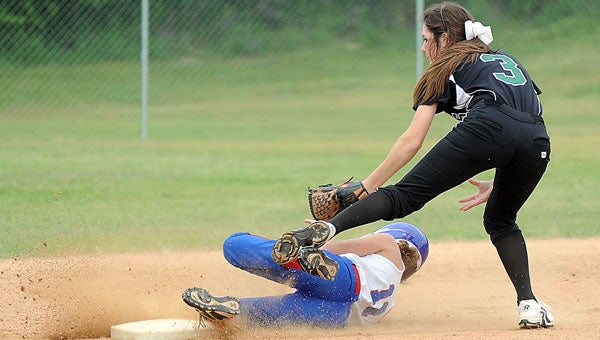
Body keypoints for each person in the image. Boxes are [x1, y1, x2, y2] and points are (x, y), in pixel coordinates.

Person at [271, 1, 554, 329]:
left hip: (487, 127)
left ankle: (319, 233)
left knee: (402, 197)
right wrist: (504, 178)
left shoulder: (442, 70)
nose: (423, 47)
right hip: (537, 140)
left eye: (425, 39)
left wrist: (366, 186)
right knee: (502, 221)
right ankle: (529, 304)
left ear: (444, 39)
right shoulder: (506, 59)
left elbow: (412, 140)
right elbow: (523, 119)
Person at [182, 222, 429, 328]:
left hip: (345, 278)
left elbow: (342, 248)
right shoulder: (390, 302)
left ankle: (302, 257)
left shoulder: (386, 242)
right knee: (267, 312)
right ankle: (229, 309)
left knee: (234, 245)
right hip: (338, 317)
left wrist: (316, 241)